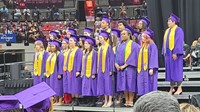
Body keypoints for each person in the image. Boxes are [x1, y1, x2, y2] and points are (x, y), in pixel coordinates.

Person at [115, 26, 139, 107]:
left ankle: (131, 100)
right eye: (121, 34)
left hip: (130, 68)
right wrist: (116, 64)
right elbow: (116, 56)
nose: (122, 35)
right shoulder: (120, 45)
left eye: (124, 34)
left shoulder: (134, 45)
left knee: (130, 84)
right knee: (124, 84)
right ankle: (127, 99)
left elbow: (134, 56)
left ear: (129, 34)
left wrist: (125, 65)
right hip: (121, 68)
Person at [162, 13, 184, 95]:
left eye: (170, 21)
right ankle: (172, 88)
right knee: (170, 71)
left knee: (177, 71)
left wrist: (176, 52)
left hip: (175, 55)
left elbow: (179, 42)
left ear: (174, 22)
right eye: (168, 21)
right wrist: (164, 51)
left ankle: (179, 88)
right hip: (168, 54)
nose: (168, 23)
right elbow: (164, 42)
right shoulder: (167, 31)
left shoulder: (178, 30)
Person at [137, 29, 158, 96]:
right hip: (142, 69)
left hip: (149, 69)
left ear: (147, 37)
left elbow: (153, 57)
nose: (141, 38)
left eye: (143, 37)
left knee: (149, 84)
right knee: (141, 83)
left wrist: (151, 68)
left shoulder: (152, 45)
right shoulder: (143, 46)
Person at [97, 30, 114, 107]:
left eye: (101, 38)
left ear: (105, 38)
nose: (99, 39)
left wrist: (111, 69)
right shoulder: (100, 48)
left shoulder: (109, 47)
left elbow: (111, 59)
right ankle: (105, 100)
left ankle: (110, 100)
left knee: (108, 84)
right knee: (103, 84)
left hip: (107, 68)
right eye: (99, 38)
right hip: (101, 69)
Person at [65, 35, 83, 106]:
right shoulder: (69, 51)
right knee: (71, 85)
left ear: (75, 42)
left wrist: (78, 70)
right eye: (69, 41)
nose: (69, 42)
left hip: (75, 70)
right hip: (69, 70)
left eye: (71, 41)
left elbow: (79, 61)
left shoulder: (78, 50)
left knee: (76, 85)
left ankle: (77, 99)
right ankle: (73, 99)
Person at [45, 40, 64, 105]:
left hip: (57, 73)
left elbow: (61, 64)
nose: (52, 47)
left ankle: (60, 100)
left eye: (53, 46)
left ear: (56, 47)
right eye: (51, 46)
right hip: (51, 73)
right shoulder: (51, 55)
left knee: (58, 86)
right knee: (53, 87)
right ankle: (55, 100)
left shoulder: (60, 55)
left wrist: (60, 73)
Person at [81, 36, 97, 107]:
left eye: (87, 43)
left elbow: (95, 63)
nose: (85, 45)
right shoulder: (84, 52)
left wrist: (94, 72)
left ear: (90, 44)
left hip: (91, 73)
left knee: (91, 87)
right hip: (85, 73)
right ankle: (87, 101)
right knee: (86, 87)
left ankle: (92, 101)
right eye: (85, 43)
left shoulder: (94, 53)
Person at [62, 37, 72, 104]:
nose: (62, 45)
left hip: (68, 69)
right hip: (63, 70)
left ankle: (68, 99)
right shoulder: (62, 52)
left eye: (64, 43)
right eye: (62, 43)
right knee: (64, 84)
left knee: (68, 84)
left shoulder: (69, 51)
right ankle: (64, 99)